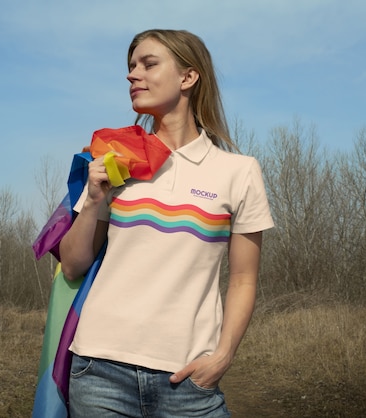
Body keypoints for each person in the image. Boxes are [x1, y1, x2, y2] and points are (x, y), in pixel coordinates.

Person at [59, 29, 274, 417]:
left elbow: (243, 279)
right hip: (99, 372)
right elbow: (72, 265)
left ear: (188, 77)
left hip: (190, 381)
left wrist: (223, 356)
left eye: (149, 64)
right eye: (130, 67)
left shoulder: (238, 172)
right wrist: (92, 201)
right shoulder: (116, 158)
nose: (132, 75)